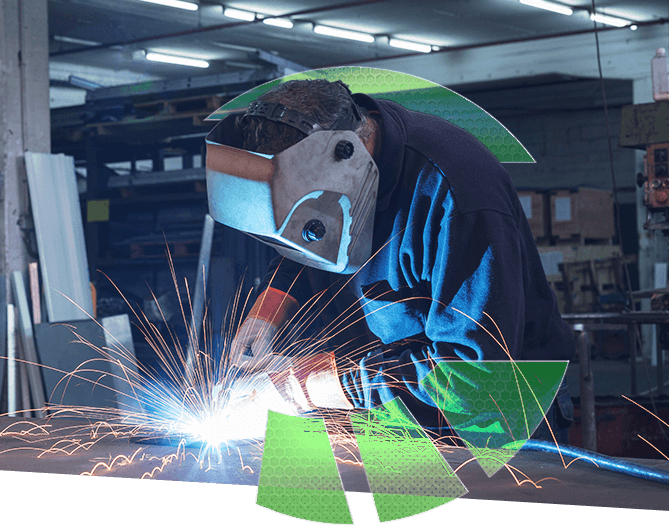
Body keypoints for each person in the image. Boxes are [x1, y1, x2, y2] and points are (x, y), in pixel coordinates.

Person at [204, 74, 575, 443]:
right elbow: (299, 238)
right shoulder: (327, 176)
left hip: (488, 431)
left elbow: (472, 377)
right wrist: (269, 308)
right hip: (384, 420)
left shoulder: (458, 196)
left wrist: (312, 385)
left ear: (349, 155)